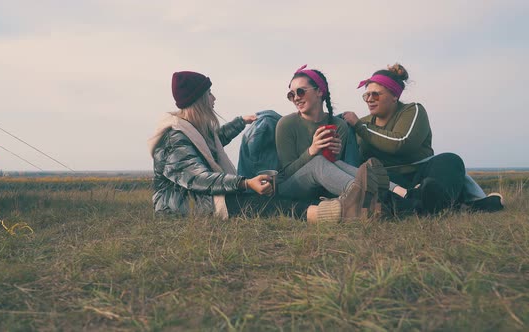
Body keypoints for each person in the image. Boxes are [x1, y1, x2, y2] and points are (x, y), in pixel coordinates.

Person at [148, 71, 376, 223]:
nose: (214, 98)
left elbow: (211, 143)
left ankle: (366, 200)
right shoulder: (172, 139)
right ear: (198, 99)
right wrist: (244, 182)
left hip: (201, 198)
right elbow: (198, 178)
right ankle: (336, 213)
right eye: (209, 94)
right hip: (180, 208)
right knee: (255, 204)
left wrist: (239, 123)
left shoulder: (193, 130)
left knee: (261, 200)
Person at [342, 63, 503, 213]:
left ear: (394, 96)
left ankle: (416, 202)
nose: (369, 99)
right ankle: (444, 205)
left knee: (450, 160)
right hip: (390, 180)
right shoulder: (362, 124)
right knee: (374, 178)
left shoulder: (413, 111)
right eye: (366, 95)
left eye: (375, 95)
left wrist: (360, 127)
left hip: (421, 174)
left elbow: (401, 143)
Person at [276, 64, 396, 219]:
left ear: (319, 91)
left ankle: (402, 194)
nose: (296, 98)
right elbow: (286, 173)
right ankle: (362, 194)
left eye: (300, 91)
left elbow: (332, 171)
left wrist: (334, 155)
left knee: (338, 164)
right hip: (291, 187)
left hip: (324, 187)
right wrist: (312, 151)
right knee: (318, 161)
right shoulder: (286, 124)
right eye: (291, 95)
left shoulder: (339, 126)